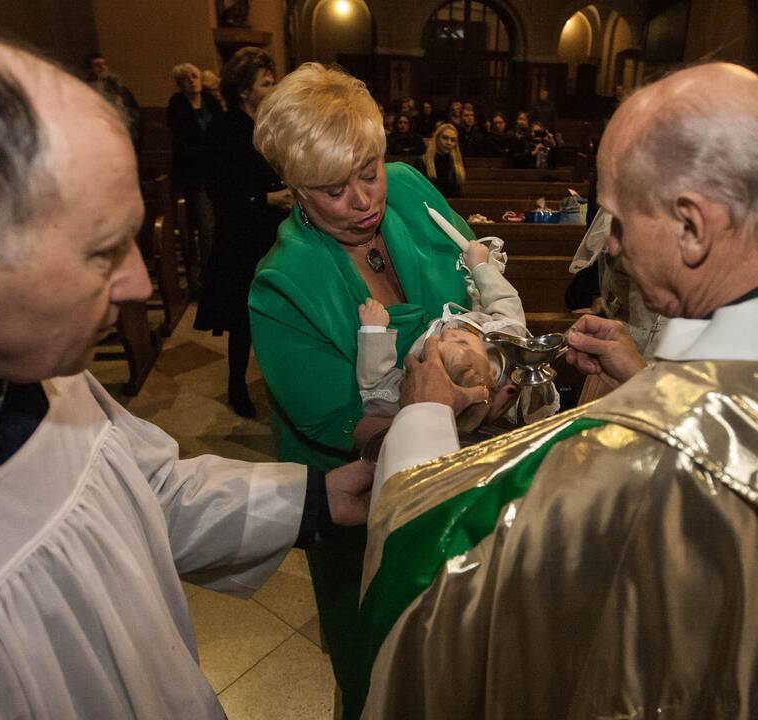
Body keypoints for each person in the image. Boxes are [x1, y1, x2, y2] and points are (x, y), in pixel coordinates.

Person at [357, 62, 758, 719]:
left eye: (619, 222)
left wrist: (425, 414)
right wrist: (661, 381)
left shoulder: (656, 462)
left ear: (691, 226)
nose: (616, 249)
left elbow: (433, 590)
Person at [0, 29, 382, 719]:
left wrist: (315, 499)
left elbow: (142, 491)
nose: (138, 283)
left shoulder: (36, 368)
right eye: (103, 254)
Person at [247, 62, 483, 718]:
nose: (363, 200)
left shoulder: (409, 188)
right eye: (332, 189)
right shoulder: (283, 283)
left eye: (368, 170)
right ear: (293, 186)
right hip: (364, 500)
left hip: (462, 465)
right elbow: (344, 421)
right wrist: (444, 413)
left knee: (459, 658)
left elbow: (477, 288)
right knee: (377, 664)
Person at [194, 47, 291, 418]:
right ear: (243, 90)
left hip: (272, 232)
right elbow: (221, 192)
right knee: (242, 319)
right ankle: (237, 385)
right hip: (241, 236)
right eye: (266, 83)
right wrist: (268, 197)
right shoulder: (224, 128)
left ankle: (280, 383)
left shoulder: (269, 125)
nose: (273, 87)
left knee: (276, 312)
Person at [355, 238, 523, 433]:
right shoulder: (504, 342)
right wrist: (480, 267)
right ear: (493, 374)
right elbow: (505, 301)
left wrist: (374, 331)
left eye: (437, 344)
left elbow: (376, 383)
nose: (448, 333)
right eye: (462, 341)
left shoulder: (415, 384)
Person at [166, 62, 224, 290]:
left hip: (216, 171)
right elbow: (182, 142)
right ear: (180, 84)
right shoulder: (177, 105)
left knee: (219, 223)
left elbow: (220, 130)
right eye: (186, 78)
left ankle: (220, 271)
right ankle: (208, 278)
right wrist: (207, 151)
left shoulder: (210, 101)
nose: (192, 81)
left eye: (194, 76)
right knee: (206, 226)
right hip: (195, 174)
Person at [85, 51, 141, 148]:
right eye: (97, 65)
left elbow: (132, 112)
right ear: (89, 69)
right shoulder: (84, 90)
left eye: (103, 64)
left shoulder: (119, 89)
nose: (102, 68)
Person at [416, 122, 466, 198]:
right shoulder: (422, 162)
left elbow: (458, 193)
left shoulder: (456, 163)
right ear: (437, 139)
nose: (449, 143)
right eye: (445, 138)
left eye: (453, 140)